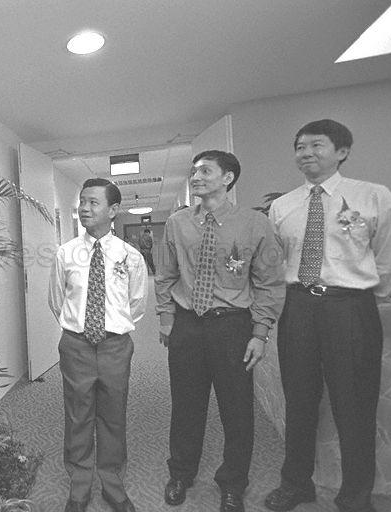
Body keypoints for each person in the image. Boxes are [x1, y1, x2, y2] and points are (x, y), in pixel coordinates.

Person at [264, 119, 391, 512]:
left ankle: (356, 495)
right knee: (300, 401)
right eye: (299, 147)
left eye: (316, 145)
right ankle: (296, 484)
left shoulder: (372, 196)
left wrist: (364, 297)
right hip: (299, 307)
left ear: (342, 151)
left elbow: (390, 256)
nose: (305, 153)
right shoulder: (282, 206)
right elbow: (277, 262)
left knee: (354, 404)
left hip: (350, 308)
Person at [155, 150, 284, 512]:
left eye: (205, 171)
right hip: (187, 324)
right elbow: (165, 275)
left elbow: (270, 282)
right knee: (185, 404)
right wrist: (166, 317)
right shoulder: (178, 223)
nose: (196, 177)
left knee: (237, 409)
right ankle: (181, 472)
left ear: (228, 178)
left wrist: (260, 332)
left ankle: (233, 484)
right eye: (194, 172)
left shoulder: (255, 224)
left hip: (233, 326)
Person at [48, 178, 147, 512]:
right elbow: (56, 300)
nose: (85, 209)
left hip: (115, 347)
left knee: (113, 415)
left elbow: (137, 303)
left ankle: (111, 483)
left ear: (113, 210)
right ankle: (79, 485)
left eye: (93, 203)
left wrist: (109, 327)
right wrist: (81, 327)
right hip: (76, 345)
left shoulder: (130, 256)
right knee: (77, 414)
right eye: (82, 202)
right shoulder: (66, 253)